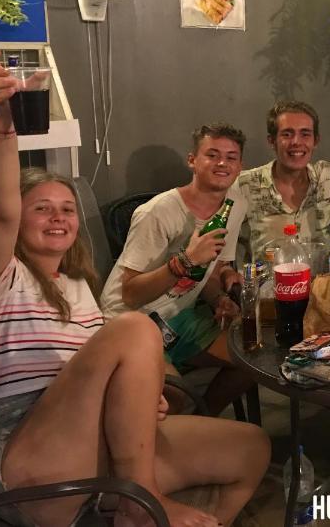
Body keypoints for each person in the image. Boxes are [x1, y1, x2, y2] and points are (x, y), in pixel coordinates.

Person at [0, 51, 270, 527]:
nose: (59, 217)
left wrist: (138, 400)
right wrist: (4, 127)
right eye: (41, 208)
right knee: (136, 328)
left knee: (251, 447)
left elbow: (97, 377)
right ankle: (140, 503)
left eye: (67, 209)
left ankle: (134, 509)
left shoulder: (78, 286)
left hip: (93, 443)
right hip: (22, 458)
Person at [101, 123, 252, 416]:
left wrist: (219, 299)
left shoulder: (235, 207)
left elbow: (214, 268)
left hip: (178, 318)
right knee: (174, 399)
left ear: (240, 166)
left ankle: (204, 420)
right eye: (212, 155)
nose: (222, 163)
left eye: (231, 157)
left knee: (252, 360)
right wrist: (185, 261)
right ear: (192, 160)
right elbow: (130, 294)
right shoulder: (156, 212)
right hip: (131, 322)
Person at [237, 99, 330, 263]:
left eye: (305, 134)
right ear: (271, 141)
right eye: (287, 134)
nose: (296, 142)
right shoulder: (245, 185)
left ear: (316, 141)